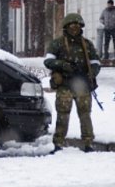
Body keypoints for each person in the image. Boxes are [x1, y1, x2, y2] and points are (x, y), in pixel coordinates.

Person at [44, 13, 101, 153]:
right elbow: (48, 61)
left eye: (77, 25)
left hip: (82, 84)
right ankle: (58, 144)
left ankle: (88, 143)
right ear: (66, 27)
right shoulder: (58, 43)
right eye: (72, 25)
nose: (75, 28)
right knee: (63, 114)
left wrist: (92, 73)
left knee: (85, 114)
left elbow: (95, 62)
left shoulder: (86, 44)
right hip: (65, 85)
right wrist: (63, 65)